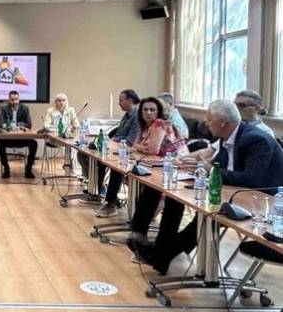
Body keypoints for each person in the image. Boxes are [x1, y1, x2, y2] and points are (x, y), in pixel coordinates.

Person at [130, 99, 283, 275]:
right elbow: (218, 165)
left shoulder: (256, 139)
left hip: (263, 201)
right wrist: (198, 167)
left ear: (222, 122)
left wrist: (210, 169)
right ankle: (160, 252)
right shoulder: (228, 136)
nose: (206, 123)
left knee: (208, 216)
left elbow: (251, 179)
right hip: (233, 190)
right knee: (177, 199)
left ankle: (162, 255)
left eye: (209, 120)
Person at [95, 97, 188, 218]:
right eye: (145, 109)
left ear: (158, 112)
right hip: (154, 163)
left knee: (129, 173)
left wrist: (140, 148)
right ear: (141, 112)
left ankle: (144, 208)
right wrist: (140, 148)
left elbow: (152, 150)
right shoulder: (144, 125)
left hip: (174, 167)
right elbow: (135, 145)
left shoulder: (159, 123)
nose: (148, 113)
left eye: (152, 110)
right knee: (119, 169)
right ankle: (112, 204)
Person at [80, 89, 141, 206]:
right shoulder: (127, 114)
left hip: (124, 152)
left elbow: (130, 141)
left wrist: (110, 143)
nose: (119, 103)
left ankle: (108, 200)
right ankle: (97, 190)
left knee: (108, 164)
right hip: (115, 147)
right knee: (84, 154)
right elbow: (117, 132)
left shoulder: (136, 116)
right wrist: (104, 139)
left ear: (129, 100)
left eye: (121, 100)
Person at [0, 90, 37, 179]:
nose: (14, 101)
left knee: (34, 144)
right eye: (12, 100)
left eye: (16, 99)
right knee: (0, 143)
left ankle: (28, 170)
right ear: (9, 99)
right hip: (9, 139)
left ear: (19, 99)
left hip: (21, 138)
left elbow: (29, 124)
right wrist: (13, 126)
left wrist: (17, 126)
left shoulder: (25, 108)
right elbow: (0, 123)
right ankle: (6, 169)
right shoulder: (4, 108)